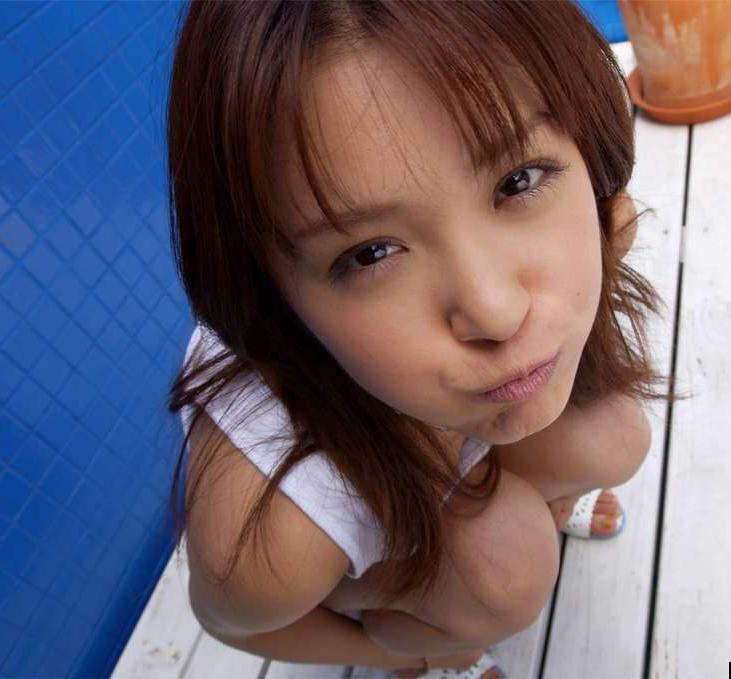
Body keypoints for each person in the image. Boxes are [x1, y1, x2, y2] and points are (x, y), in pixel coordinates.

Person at [163, 1, 672, 677]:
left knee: (614, 437)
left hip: (431, 413)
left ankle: (535, 499)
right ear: (271, 300)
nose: (495, 311)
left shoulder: (603, 224)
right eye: (370, 253)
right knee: (505, 573)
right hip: (361, 450)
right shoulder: (269, 538)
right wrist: (400, 649)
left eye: (517, 180)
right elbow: (235, 623)